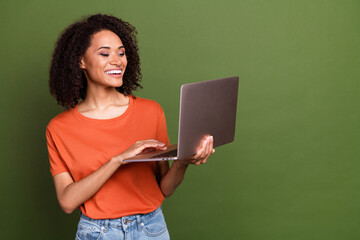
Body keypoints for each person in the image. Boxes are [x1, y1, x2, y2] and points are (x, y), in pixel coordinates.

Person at [46, 14, 214, 240]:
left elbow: (164, 189)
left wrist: (182, 162)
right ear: (80, 61)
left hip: (151, 229)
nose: (117, 60)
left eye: (121, 52)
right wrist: (119, 159)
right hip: (97, 233)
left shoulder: (151, 112)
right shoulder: (59, 128)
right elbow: (67, 201)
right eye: (104, 53)